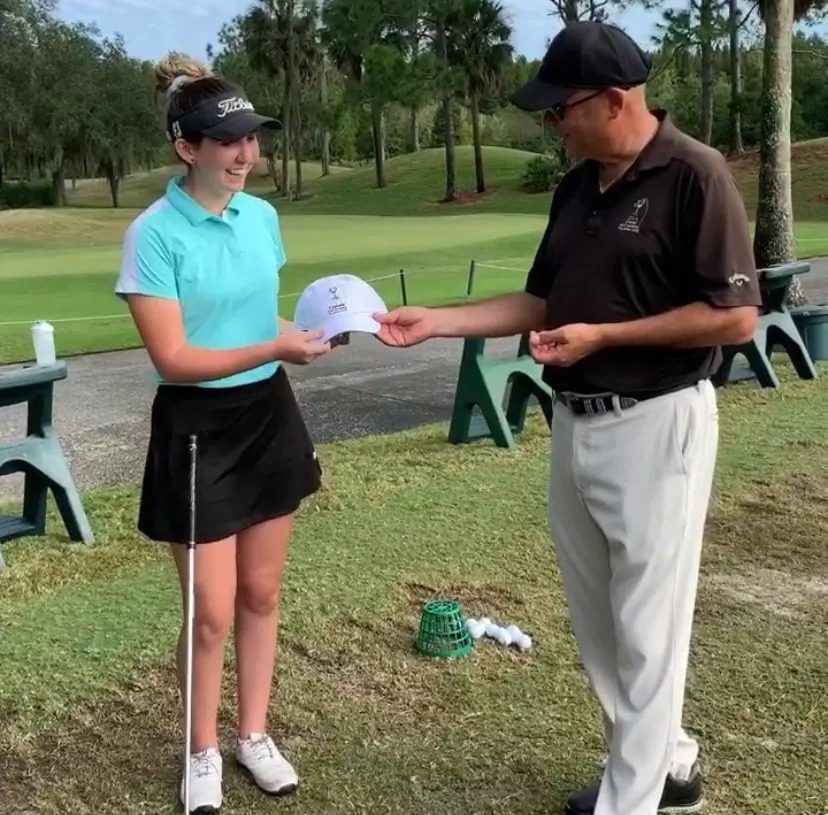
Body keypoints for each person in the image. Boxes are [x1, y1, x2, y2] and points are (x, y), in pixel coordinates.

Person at [373, 21, 762, 815]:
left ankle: (634, 800)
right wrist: (438, 321)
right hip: (576, 421)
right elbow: (543, 300)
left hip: (659, 424)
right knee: (600, 624)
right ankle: (670, 761)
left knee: (649, 629)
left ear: (615, 100)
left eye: (562, 111)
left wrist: (607, 336)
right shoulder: (578, 184)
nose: (552, 124)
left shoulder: (695, 175)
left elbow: (736, 318)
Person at [115, 54, 331, 813]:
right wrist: (276, 346)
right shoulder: (153, 235)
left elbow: (251, 322)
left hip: (266, 413)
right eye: (227, 140)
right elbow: (175, 356)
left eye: (252, 138)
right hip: (197, 426)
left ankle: (254, 734)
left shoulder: (263, 218)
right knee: (209, 609)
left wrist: (310, 331)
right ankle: (200, 748)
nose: (246, 154)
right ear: (187, 148)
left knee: (261, 592)